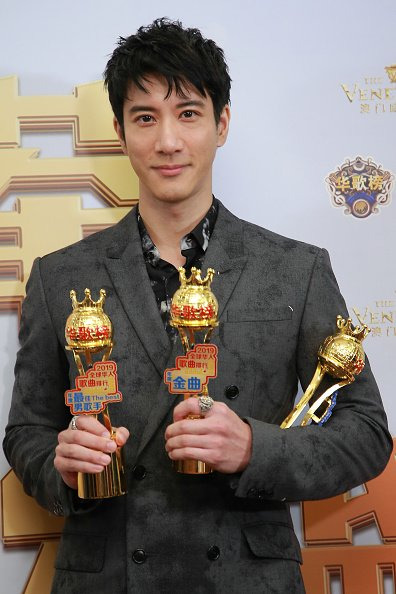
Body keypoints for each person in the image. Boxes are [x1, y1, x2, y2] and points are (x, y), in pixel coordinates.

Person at [3, 18, 392, 594]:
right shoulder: (62, 276)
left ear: (222, 124)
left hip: (244, 576)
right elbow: (27, 430)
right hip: (107, 576)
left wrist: (255, 447)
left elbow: (366, 432)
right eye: (145, 118)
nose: (167, 141)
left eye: (188, 113)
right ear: (120, 130)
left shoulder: (295, 268)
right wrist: (59, 463)